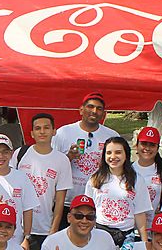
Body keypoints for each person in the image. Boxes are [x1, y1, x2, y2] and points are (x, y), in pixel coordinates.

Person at [52, 92, 119, 228]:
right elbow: (52, 167)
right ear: (81, 110)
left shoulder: (111, 136)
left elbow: (120, 168)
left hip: (98, 203)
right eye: (90, 107)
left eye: (99, 108)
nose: (94, 111)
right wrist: (68, 157)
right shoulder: (63, 133)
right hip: (66, 202)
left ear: (103, 113)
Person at [10, 113, 72, 249]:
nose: (42, 132)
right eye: (38, 128)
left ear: (54, 131)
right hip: (16, 228)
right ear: (32, 133)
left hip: (44, 228)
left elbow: (60, 200)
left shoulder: (62, 160)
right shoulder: (20, 154)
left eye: (46, 128)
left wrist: (53, 231)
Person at [84, 137, 152, 247]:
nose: (113, 157)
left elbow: (140, 214)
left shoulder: (137, 180)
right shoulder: (95, 180)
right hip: (100, 234)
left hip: (126, 237)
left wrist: (144, 244)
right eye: (109, 153)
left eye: (118, 152)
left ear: (126, 155)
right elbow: (87, 210)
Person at [40, 195, 115, 250]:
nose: (84, 221)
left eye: (90, 216)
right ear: (69, 218)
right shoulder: (51, 243)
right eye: (79, 216)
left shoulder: (105, 238)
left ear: (95, 220)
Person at [132, 127, 162, 230]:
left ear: (157, 148)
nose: (147, 148)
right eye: (144, 144)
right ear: (137, 145)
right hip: (130, 230)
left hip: (155, 230)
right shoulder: (127, 170)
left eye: (152, 145)